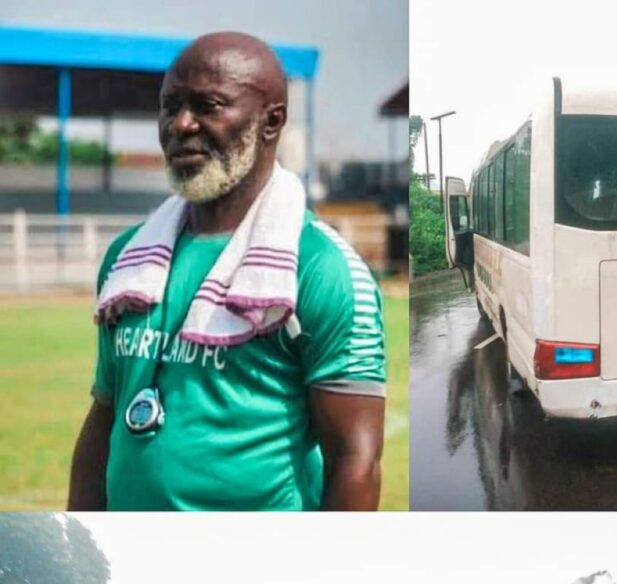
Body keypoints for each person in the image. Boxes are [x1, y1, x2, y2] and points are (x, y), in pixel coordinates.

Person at [68, 32, 385, 512]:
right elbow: (106, 414)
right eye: (169, 106)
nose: (181, 124)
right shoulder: (127, 260)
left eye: (208, 106)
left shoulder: (322, 268)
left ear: (271, 121)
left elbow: (355, 459)